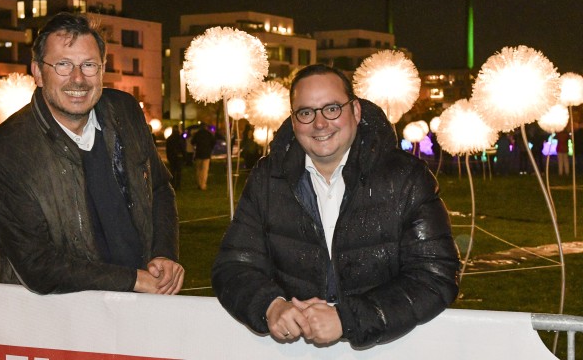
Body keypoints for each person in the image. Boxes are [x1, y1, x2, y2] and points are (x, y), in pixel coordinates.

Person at [212, 64, 459, 348]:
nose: (319, 123)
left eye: (332, 109)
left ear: (355, 111)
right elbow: (233, 266)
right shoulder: (268, 179)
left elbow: (435, 276)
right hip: (293, 353)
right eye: (306, 113)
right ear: (293, 121)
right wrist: (270, 305)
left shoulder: (406, 178)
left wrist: (348, 319)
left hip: (386, 349)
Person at [0, 12, 183, 295]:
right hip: (62, 321)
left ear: (103, 68)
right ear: (37, 71)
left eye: (88, 65)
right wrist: (133, 280)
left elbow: (159, 188)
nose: (78, 79)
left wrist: (164, 253)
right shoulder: (6, 152)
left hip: (143, 305)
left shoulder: (125, 110)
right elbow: (36, 264)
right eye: (63, 65)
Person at [191, 124, 216, 190]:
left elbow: (192, 142)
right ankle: (203, 185)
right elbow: (213, 142)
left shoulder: (197, 134)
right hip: (206, 154)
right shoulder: (209, 134)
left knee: (198, 170)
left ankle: (199, 184)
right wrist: (210, 148)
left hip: (199, 154)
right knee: (205, 170)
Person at [165, 125, 185, 190]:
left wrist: (168, 156)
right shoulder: (180, 138)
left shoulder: (169, 139)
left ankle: (173, 185)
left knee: (173, 171)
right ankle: (178, 185)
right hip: (179, 156)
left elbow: (168, 149)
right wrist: (184, 156)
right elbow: (183, 148)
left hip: (172, 157)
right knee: (179, 172)